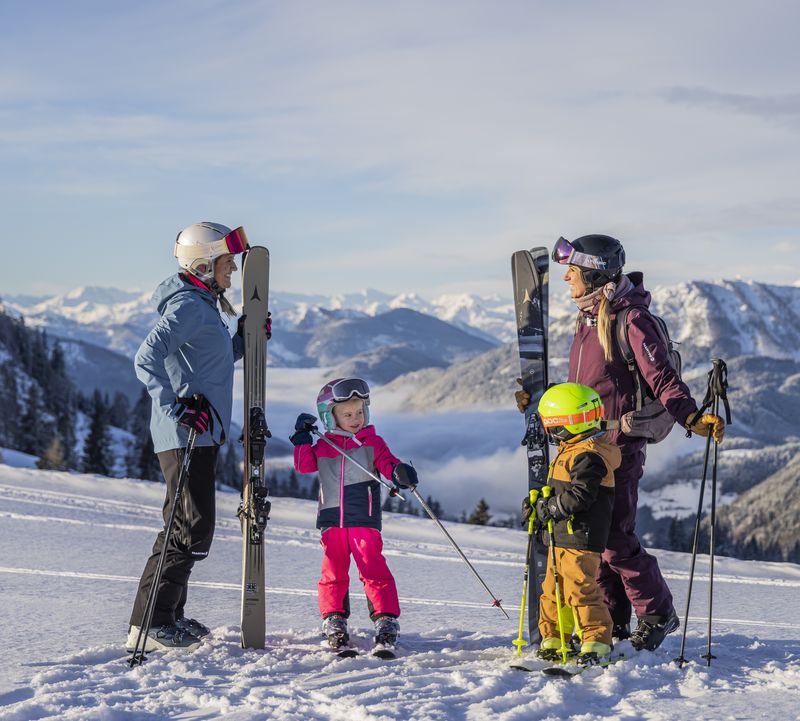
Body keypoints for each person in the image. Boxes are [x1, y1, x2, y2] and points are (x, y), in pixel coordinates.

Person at [517, 234, 725, 652]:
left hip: (619, 444)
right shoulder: (588, 318)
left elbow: (662, 376)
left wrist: (690, 416)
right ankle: (613, 618)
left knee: (614, 537)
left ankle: (658, 613)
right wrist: (543, 403)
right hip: (583, 442)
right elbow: (590, 387)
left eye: (572, 271)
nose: (567, 280)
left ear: (594, 271)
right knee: (594, 536)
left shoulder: (630, 320)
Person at [126, 221, 258, 652]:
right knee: (190, 527)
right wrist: (177, 407)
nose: (233, 271)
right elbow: (147, 358)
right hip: (186, 433)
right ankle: (153, 621)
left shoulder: (205, 306)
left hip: (201, 433)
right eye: (226, 263)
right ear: (202, 265)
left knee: (184, 525)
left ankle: (167, 616)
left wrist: (244, 340)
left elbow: (210, 363)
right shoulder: (188, 307)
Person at [290, 377, 418, 649]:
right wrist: (301, 439)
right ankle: (334, 617)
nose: (355, 418)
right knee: (333, 570)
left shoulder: (372, 442)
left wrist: (398, 473)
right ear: (330, 417)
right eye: (347, 414)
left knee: (373, 567)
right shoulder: (325, 444)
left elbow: (387, 463)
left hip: (364, 516)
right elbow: (304, 466)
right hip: (331, 518)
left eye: (359, 411)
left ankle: (385, 618)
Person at [522, 382, 620, 666]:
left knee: (580, 588)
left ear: (566, 426)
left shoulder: (590, 454)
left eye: (552, 427)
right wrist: (538, 505)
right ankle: (555, 637)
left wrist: (550, 508)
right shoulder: (573, 447)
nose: (550, 434)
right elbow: (560, 490)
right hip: (561, 535)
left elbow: (580, 495)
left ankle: (597, 641)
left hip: (581, 535)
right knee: (552, 589)